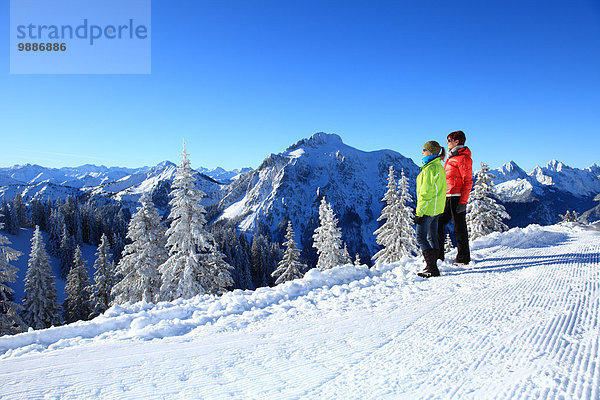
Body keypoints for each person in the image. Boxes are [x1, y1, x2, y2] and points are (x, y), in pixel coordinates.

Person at [437, 130, 473, 265]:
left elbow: (468, 181)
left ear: (457, 142)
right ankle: (438, 257)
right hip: (448, 196)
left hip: (457, 197)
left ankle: (463, 258)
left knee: (459, 227)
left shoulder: (463, 158)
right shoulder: (452, 158)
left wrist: (463, 201)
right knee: (438, 224)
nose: (447, 143)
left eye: (449, 140)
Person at [415, 140, 447, 278]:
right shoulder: (439, 167)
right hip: (437, 208)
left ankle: (432, 267)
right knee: (432, 236)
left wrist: (419, 212)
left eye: (424, 149)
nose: (422, 152)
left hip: (427, 209)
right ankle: (433, 265)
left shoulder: (428, 169)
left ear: (430, 152)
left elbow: (425, 193)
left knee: (421, 237)